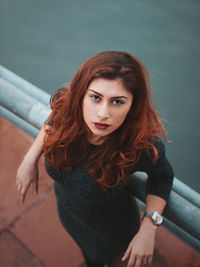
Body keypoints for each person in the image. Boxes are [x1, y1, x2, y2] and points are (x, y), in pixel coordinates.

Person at [16, 51, 174, 267]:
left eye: (117, 102)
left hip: (114, 232)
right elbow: (53, 122)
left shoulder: (140, 146)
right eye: (95, 97)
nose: (102, 113)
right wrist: (30, 158)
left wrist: (148, 227)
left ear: (132, 106)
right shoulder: (67, 108)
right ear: (80, 94)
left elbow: (162, 178)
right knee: (90, 259)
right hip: (70, 216)